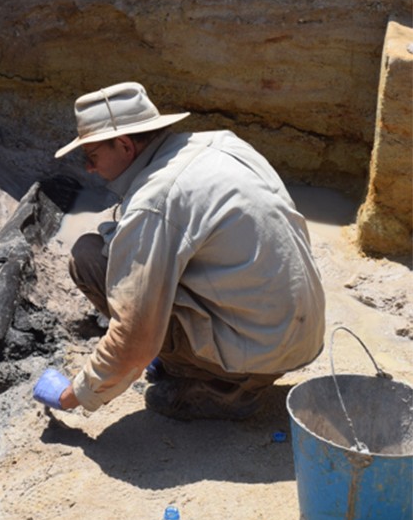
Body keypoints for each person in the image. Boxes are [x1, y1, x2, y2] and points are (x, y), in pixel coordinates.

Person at [33, 82, 325, 420]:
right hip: (300, 334)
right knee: (119, 257)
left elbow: (132, 338)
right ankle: (206, 365)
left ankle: (223, 388)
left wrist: (74, 395)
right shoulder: (222, 142)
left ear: (125, 145)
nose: (88, 168)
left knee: (88, 259)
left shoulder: (156, 200)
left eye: (92, 156)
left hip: (260, 353)